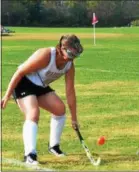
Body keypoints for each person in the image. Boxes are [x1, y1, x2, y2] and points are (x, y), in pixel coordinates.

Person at [1, 34, 83, 165]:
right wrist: (7, 95)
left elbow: (70, 92)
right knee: (33, 114)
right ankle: (30, 155)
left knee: (59, 109)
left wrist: (74, 118)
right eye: (71, 52)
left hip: (40, 86)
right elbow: (20, 72)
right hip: (23, 83)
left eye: (76, 53)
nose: (73, 57)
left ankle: (54, 147)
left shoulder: (69, 65)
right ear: (62, 48)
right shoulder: (46, 55)